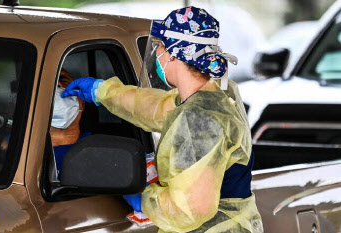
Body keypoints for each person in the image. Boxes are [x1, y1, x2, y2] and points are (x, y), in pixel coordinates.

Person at [61, 6, 263, 233]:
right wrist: (102, 91)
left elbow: (188, 210)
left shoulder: (198, 120)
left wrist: (143, 196)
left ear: (175, 54)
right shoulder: (214, 96)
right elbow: (156, 107)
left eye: (159, 47)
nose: (156, 54)